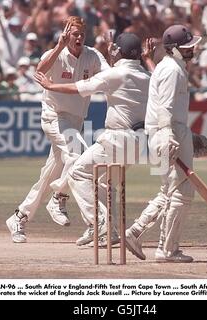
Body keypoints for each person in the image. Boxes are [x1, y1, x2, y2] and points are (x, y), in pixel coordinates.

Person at [34, 32, 151, 247]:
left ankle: (100, 223)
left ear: (119, 52)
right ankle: (109, 231)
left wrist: (50, 86)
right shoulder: (146, 76)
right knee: (106, 185)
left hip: (118, 138)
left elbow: (79, 88)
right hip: (140, 143)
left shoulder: (116, 74)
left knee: (78, 172)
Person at [6, 16, 109, 243]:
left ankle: (19, 217)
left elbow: (109, 75)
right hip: (54, 117)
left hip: (76, 122)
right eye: (75, 33)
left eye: (82, 33)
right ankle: (64, 200)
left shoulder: (92, 55)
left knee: (50, 175)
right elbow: (39, 71)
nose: (79, 37)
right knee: (79, 158)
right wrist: (59, 46)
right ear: (66, 34)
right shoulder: (56, 53)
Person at [125, 24, 202, 263]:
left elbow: (170, 107)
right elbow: (165, 107)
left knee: (168, 191)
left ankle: (135, 232)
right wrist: (169, 134)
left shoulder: (170, 67)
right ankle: (167, 250)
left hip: (167, 131)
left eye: (192, 46)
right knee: (182, 194)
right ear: (174, 49)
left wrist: (190, 137)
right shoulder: (172, 70)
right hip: (166, 132)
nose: (192, 51)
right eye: (187, 47)